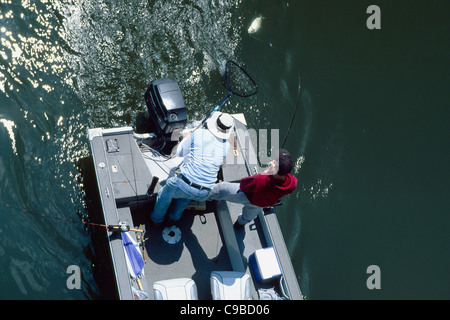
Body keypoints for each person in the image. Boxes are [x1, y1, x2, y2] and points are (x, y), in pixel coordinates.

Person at [150, 111, 234, 229]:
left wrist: (187, 137)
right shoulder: (227, 145)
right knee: (184, 199)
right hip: (205, 191)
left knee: (163, 195)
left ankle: (157, 220)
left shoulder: (199, 133)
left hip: (184, 184)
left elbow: (179, 153)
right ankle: (172, 220)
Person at [207, 148, 297, 229]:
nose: (272, 161)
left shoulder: (260, 179)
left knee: (222, 188)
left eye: (274, 162)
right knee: (248, 216)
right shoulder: (293, 183)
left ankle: (206, 195)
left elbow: (244, 186)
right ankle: (240, 224)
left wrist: (265, 173)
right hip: (261, 204)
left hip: (248, 197)